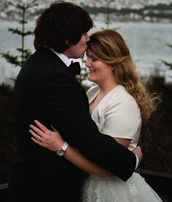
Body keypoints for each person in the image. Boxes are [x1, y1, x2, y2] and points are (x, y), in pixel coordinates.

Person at [7, 2, 141, 202]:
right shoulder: (54, 77)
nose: (88, 38)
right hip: (46, 191)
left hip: (35, 185)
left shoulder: (39, 64)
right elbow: (88, 140)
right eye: (84, 33)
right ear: (68, 38)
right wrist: (132, 160)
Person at [29, 28, 164, 202]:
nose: (87, 64)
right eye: (88, 58)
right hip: (88, 186)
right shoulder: (92, 93)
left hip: (113, 193)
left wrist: (61, 147)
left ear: (113, 63)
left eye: (94, 59)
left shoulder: (123, 103)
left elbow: (108, 168)